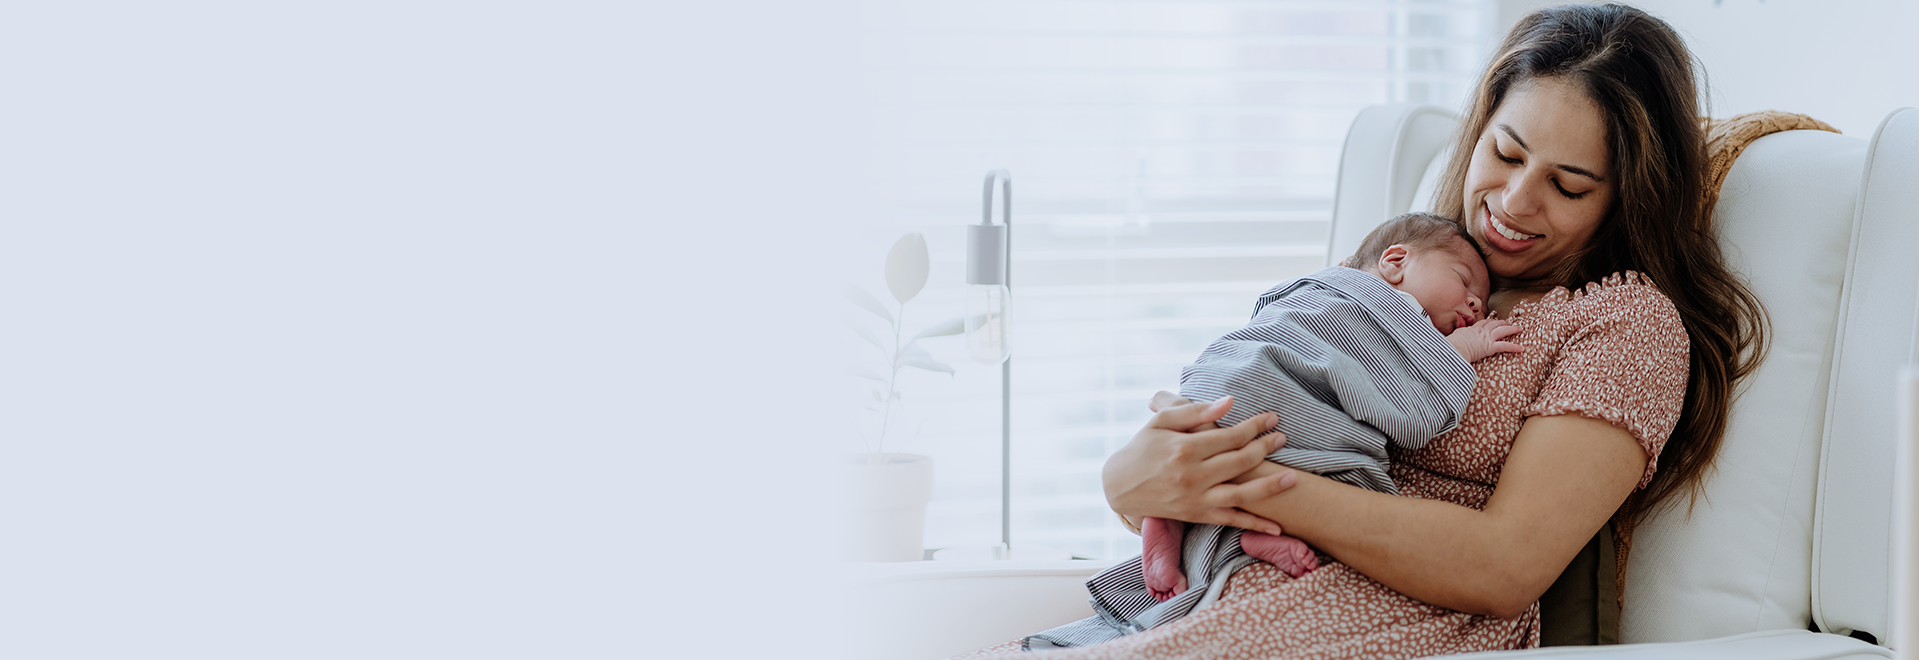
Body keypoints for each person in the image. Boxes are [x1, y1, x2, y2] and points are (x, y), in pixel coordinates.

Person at [954, 4, 1768, 657]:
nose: (1515, 201)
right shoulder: (1411, 267)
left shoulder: (1625, 326)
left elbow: (1504, 565)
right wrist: (1131, 479)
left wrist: (1247, 485)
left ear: (1626, 198)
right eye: (1505, 152)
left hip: (1389, 614)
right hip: (1227, 574)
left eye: (1568, 185)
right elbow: (1273, 382)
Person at [1118, 214, 1522, 633]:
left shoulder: (1319, 288)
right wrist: (1457, 351)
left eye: (1481, 301)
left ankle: (1174, 524)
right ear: (1394, 262)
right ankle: (1246, 531)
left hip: (1220, 388)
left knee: (1229, 462)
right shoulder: (1379, 308)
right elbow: (1411, 416)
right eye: (1464, 281)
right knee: (1352, 481)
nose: (1476, 304)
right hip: (1274, 391)